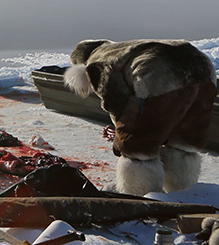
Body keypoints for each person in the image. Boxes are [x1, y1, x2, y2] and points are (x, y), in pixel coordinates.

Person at [64, 39, 217, 196]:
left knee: (138, 149)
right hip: (205, 71)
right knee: (185, 141)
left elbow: (116, 101)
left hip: (161, 76)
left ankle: (142, 195)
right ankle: (183, 192)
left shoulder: (95, 63)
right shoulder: (123, 49)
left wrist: (123, 137)